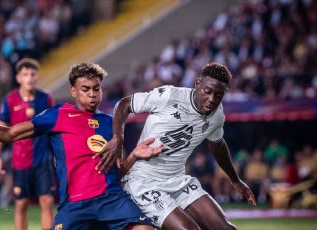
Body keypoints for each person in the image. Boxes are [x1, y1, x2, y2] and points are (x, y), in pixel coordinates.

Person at [0, 63, 161, 229]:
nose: (92, 94)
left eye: (96, 88)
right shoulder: (58, 115)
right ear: (74, 91)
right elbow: (10, 134)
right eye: (85, 89)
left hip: (112, 200)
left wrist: (133, 155)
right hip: (75, 205)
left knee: (145, 228)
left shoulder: (109, 122)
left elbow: (119, 171)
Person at [96, 63, 257, 229]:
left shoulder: (216, 116)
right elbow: (123, 104)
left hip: (178, 181)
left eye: (219, 95)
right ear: (197, 84)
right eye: (207, 91)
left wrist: (235, 180)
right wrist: (118, 138)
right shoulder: (169, 96)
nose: (212, 99)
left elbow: (218, 145)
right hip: (144, 183)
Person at [0, 58, 55, 230]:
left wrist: (57, 154)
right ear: (18, 78)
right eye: (25, 74)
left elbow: (54, 128)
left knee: (47, 201)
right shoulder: (10, 100)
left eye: (32, 74)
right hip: (20, 161)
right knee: (21, 204)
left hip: (43, 160)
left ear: (37, 77)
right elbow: (0, 129)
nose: (29, 77)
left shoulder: (46, 98)